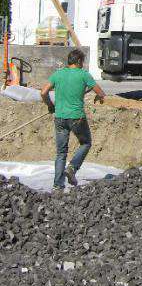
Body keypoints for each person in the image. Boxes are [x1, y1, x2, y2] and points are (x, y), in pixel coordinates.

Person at [41, 48, 106, 191]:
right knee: (86, 143)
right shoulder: (84, 75)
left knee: (61, 153)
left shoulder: (58, 74)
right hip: (77, 118)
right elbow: (101, 93)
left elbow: (43, 92)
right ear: (78, 61)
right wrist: (99, 96)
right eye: (82, 61)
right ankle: (72, 167)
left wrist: (50, 105)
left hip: (60, 118)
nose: (83, 64)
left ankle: (58, 186)